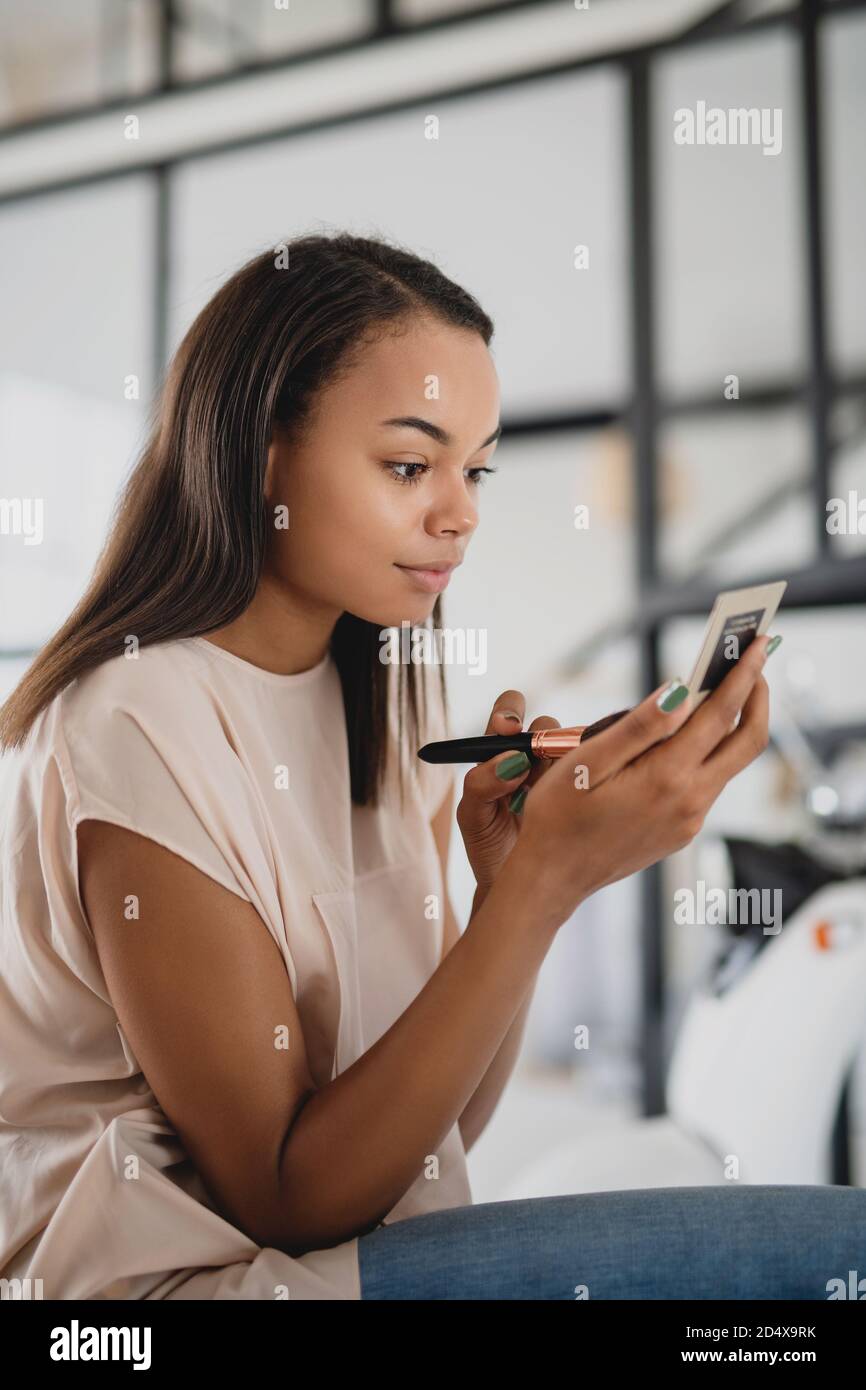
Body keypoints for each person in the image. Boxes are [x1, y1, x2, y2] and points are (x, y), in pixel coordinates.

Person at [0, 232, 860, 1301]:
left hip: (334, 1261)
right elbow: (287, 1194)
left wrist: (510, 885)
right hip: (178, 1296)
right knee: (838, 1258)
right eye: (410, 464)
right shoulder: (136, 715)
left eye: (475, 467)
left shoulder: (362, 699)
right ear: (261, 452)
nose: (460, 513)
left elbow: (428, 1137)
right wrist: (543, 889)